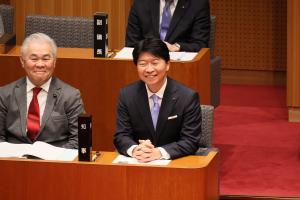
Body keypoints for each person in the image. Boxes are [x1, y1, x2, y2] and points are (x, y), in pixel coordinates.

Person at [114, 38, 201, 162]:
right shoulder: (127, 95)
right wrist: (135, 150)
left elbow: (191, 141)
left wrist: (159, 152)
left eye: (155, 63)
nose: (149, 69)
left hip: (174, 163)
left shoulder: (187, 97)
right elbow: (121, 136)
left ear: (167, 64)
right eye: (142, 64)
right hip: (138, 163)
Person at [0, 32, 84, 149]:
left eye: (46, 58)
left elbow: (79, 140)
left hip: (54, 163)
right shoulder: (4, 94)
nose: (40, 64)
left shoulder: (70, 96)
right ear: (22, 61)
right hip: (14, 163)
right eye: (34, 58)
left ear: (54, 62)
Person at [125, 0, 210, 52]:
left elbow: (200, 44)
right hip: (147, 61)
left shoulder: (198, 4)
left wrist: (177, 47)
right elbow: (132, 43)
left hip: (181, 64)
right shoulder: (140, 3)